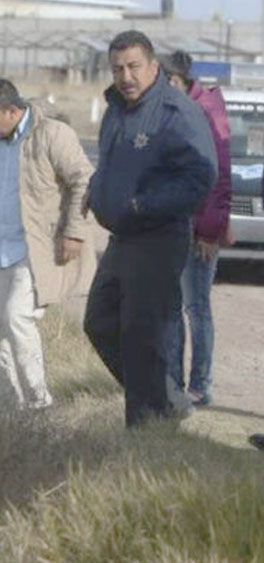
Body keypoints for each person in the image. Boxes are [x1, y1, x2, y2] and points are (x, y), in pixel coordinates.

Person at [83, 31, 218, 427]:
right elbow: (113, 165)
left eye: (133, 67)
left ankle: (145, 429)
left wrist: (143, 204)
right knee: (100, 322)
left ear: (153, 66)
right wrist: (96, 191)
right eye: (117, 68)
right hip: (122, 237)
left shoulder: (176, 112)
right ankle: (168, 401)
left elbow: (199, 177)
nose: (125, 76)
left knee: (142, 335)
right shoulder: (116, 109)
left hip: (158, 236)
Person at [0, 78, 96, 409]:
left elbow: (84, 179)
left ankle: (39, 404)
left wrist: (74, 231)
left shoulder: (52, 134)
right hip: (2, 251)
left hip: (37, 251)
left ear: (12, 110)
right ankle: (9, 412)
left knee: (17, 318)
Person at [160, 50, 233, 408]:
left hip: (198, 230)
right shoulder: (169, 107)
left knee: (196, 308)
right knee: (172, 307)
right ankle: (173, 382)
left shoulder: (206, 110)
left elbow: (218, 175)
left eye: (168, 80)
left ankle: (200, 385)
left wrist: (209, 230)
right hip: (173, 224)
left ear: (182, 79)